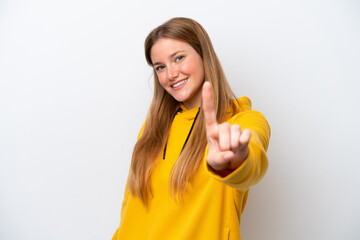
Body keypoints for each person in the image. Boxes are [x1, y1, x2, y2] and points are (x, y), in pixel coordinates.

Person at [112, 17, 270, 240]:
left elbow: (251, 163)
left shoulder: (243, 121)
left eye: (178, 58)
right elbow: (130, 206)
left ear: (204, 55)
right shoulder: (152, 129)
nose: (170, 74)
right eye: (160, 67)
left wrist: (234, 162)